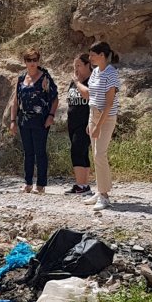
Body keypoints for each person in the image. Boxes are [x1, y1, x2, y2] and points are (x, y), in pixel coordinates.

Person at [7, 48, 58, 194]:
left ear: (38, 61)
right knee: (28, 152)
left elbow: (55, 99)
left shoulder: (45, 78)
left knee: (40, 151)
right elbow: (15, 101)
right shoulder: (21, 78)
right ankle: (28, 182)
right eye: (29, 60)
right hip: (24, 119)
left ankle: (40, 184)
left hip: (41, 119)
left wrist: (51, 116)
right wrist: (12, 120)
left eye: (35, 60)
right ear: (25, 62)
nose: (32, 63)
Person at [83, 41, 120, 210]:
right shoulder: (95, 72)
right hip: (93, 114)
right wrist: (90, 122)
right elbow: (92, 96)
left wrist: (98, 125)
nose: (90, 58)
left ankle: (105, 195)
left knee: (100, 154)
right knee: (96, 155)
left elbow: (109, 103)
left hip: (106, 117)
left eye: (92, 55)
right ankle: (100, 190)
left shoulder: (111, 73)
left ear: (102, 55)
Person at [65, 53, 94, 195]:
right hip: (73, 122)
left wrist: (77, 83)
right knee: (82, 153)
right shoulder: (75, 81)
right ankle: (84, 185)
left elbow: (88, 95)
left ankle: (80, 185)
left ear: (88, 65)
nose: (76, 69)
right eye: (74, 66)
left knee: (77, 151)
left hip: (85, 122)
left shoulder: (90, 80)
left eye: (79, 65)